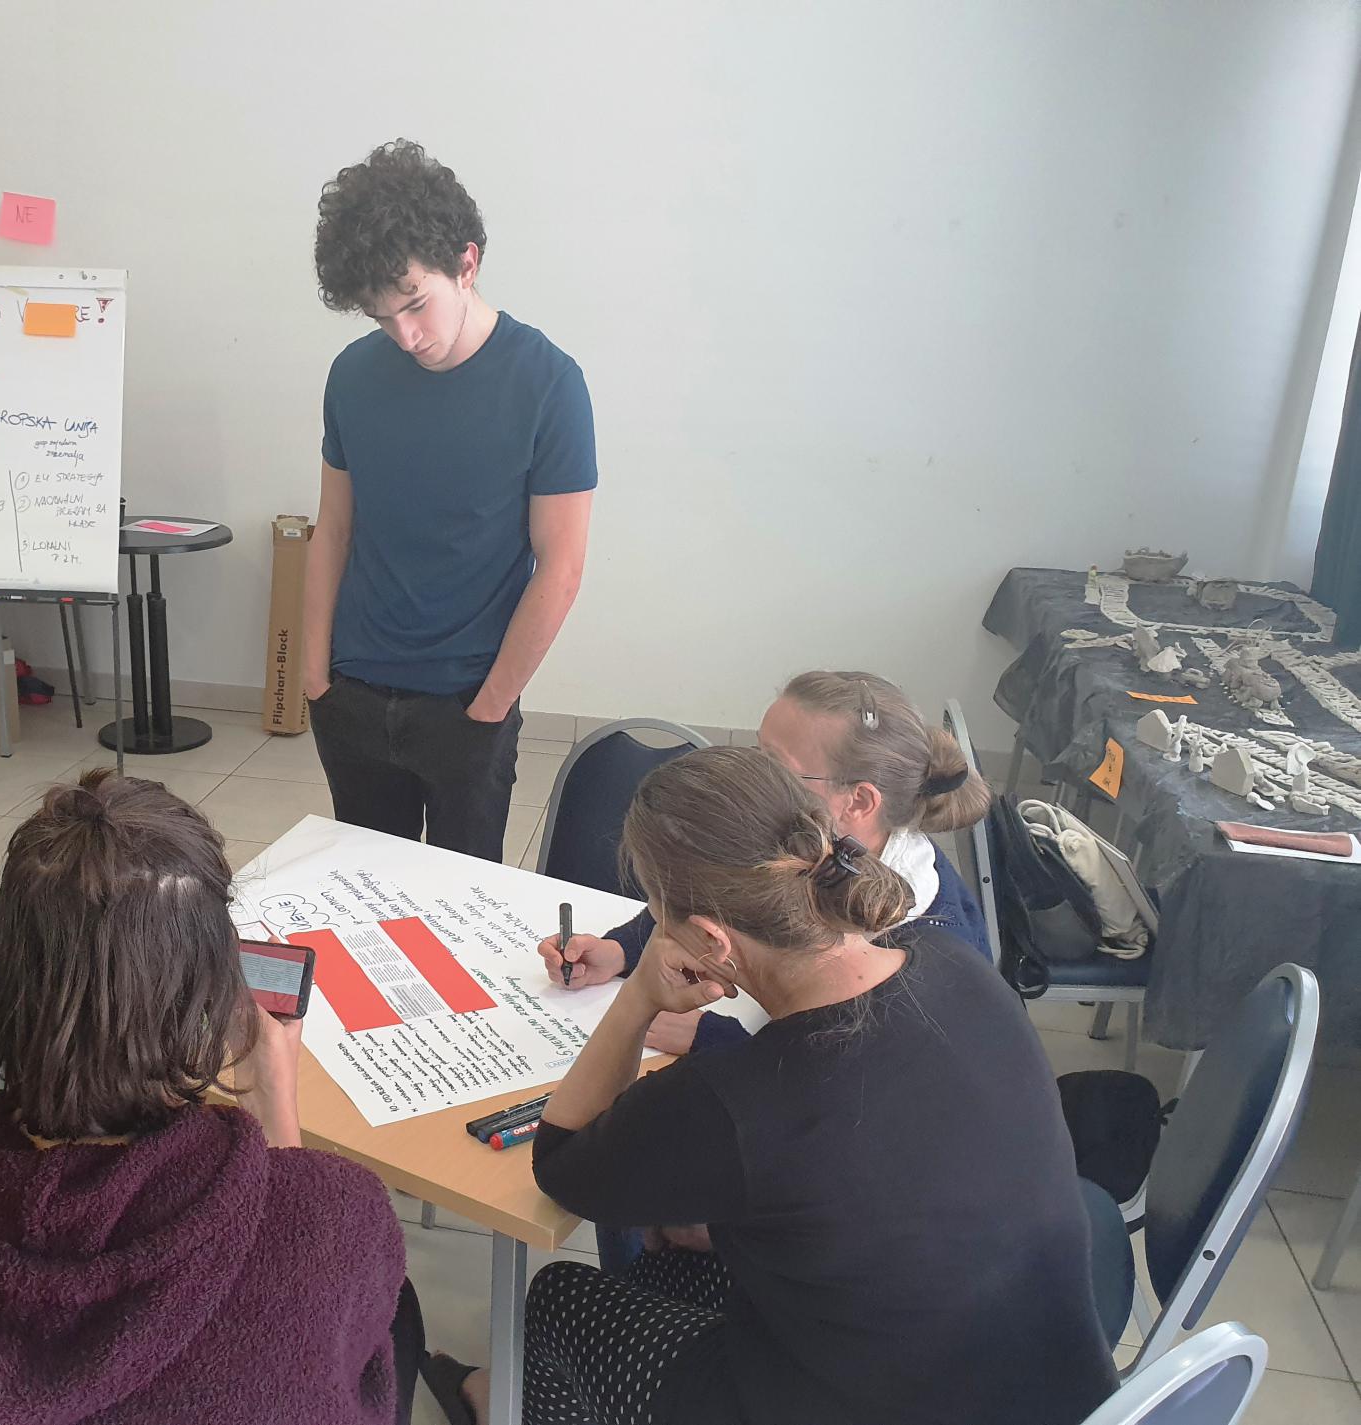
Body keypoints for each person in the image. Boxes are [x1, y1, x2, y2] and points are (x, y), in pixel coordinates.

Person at [425, 748, 1117, 1425]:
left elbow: (563, 1166)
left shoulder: (737, 1097)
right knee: (676, 1260)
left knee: (560, 1299)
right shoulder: (954, 963)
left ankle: (494, 1403)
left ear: (710, 941)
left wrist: (638, 998)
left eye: (658, 916)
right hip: (1063, 1392)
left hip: (871, 1400)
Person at [0, 767, 422, 1425]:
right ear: (209, 989)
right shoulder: (332, 1211)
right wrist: (274, 1102)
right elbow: (320, 1344)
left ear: (2, 973)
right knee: (403, 1318)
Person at [304, 139, 597, 861]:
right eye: (380, 317)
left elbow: (561, 567)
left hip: (468, 700)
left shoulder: (548, 383)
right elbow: (334, 529)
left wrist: (491, 705)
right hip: (352, 688)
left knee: (462, 901)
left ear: (468, 263)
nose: (405, 335)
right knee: (365, 890)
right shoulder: (352, 376)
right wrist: (313, 676)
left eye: (415, 304)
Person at [540, 670, 993, 1058]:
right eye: (757, 753)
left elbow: (859, 1075)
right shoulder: (799, 839)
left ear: (858, 801)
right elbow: (711, 897)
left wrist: (713, 1038)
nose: (754, 776)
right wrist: (620, 950)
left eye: (774, 766)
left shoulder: (932, 945)